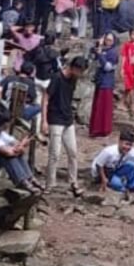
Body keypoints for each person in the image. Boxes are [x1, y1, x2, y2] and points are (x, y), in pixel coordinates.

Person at [42, 55, 86, 194]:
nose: (80, 74)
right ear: (73, 68)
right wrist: (44, 120)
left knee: (73, 152)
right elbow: (46, 97)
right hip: (55, 118)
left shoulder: (73, 80)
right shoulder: (57, 78)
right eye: (79, 71)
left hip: (68, 119)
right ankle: (50, 184)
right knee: (54, 153)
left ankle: (73, 182)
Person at [91, 128, 134, 193]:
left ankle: (132, 186)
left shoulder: (129, 150)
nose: (128, 147)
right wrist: (103, 178)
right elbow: (98, 165)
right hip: (103, 171)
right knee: (118, 184)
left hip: (115, 168)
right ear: (120, 142)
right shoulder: (109, 152)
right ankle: (121, 188)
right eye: (126, 144)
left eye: (130, 145)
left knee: (132, 165)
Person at [89, 32, 118, 138]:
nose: (108, 42)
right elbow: (92, 59)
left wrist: (100, 54)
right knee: (97, 106)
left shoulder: (113, 53)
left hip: (107, 83)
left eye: (110, 40)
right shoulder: (102, 50)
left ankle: (104, 129)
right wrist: (98, 48)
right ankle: (95, 129)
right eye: (106, 39)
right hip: (99, 81)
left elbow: (108, 67)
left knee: (104, 107)